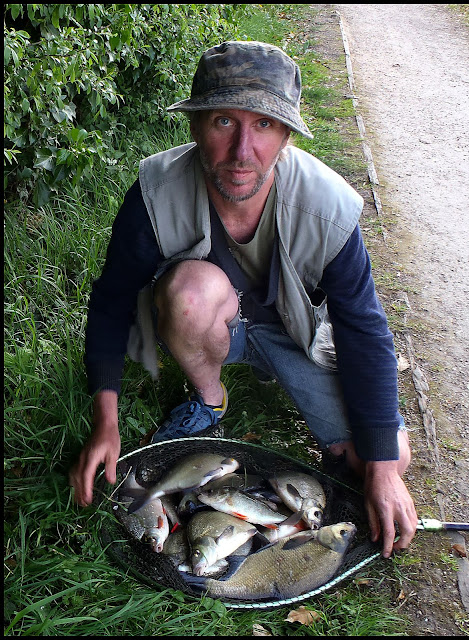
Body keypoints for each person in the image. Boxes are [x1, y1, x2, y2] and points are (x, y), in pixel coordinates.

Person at [69, 40, 418, 558]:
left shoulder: (329, 207)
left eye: (264, 125)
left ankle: (319, 427)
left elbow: (364, 330)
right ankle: (210, 399)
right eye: (223, 122)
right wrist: (107, 420)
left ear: (287, 137)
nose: (241, 151)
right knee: (189, 294)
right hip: (212, 321)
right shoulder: (155, 193)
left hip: (295, 336)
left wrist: (384, 471)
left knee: (386, 458)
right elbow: (111, 301)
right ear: (195, 126)